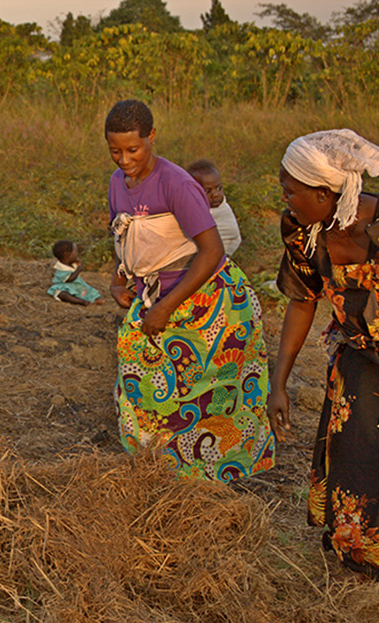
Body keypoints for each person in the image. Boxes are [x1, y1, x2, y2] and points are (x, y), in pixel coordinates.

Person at [269, 128, 379, 580]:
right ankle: (362, 561)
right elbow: (303, 299)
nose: (286, 199)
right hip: (356, 359)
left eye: (292, 191)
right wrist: (279, 382)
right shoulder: (301, 228)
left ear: (325, 192)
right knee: (355, 462)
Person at [106, 99, 274, 481]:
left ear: (151, 137)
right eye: (115, 150)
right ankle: (160, 474)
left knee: (213, 398)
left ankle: (211, 486)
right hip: (154, 299)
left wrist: (165, 308)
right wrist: (119, 280)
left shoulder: (176, 183)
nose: (124, 159)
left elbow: (212, 251)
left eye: (133, 149)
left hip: (207, 302)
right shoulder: (117, 183)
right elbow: (122, 236)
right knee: (140, 390)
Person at [187, 159, 242, 257]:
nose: (216, 195)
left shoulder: (222, 209)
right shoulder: (189, 209)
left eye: (219, 188)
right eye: (208, 191)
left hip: (221, 257)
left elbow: (232, 234)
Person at [47, 239, 102, 306]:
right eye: (75, 253)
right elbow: (69, 279)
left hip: (76, 286)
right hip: (65, 287)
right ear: (67, 255)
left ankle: (93, 300)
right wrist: (78, 270)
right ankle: (81, 301)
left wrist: (77, 266)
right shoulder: (60, 268)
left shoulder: (71, 264)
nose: (77, 255)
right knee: (63, 294)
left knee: (89, 291)